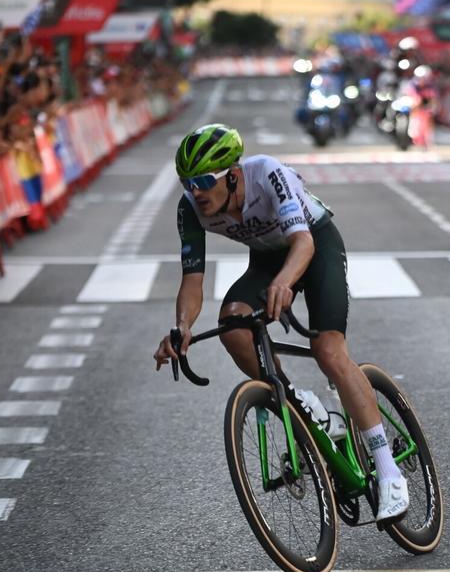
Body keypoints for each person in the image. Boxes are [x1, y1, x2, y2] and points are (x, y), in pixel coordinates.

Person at [152, 124, 410, 522]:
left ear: (233, 175)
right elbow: (192, 279)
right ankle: (297, 399)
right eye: (188, 182)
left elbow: (303, 243)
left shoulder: (268, 173)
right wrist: (182, 327)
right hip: (268, 258)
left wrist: (285, 283)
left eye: (205, 180)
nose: (196, 191)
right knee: (232, 323)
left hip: (314, 243)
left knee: (328, 350)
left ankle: (388, 470)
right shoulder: (190, 207)